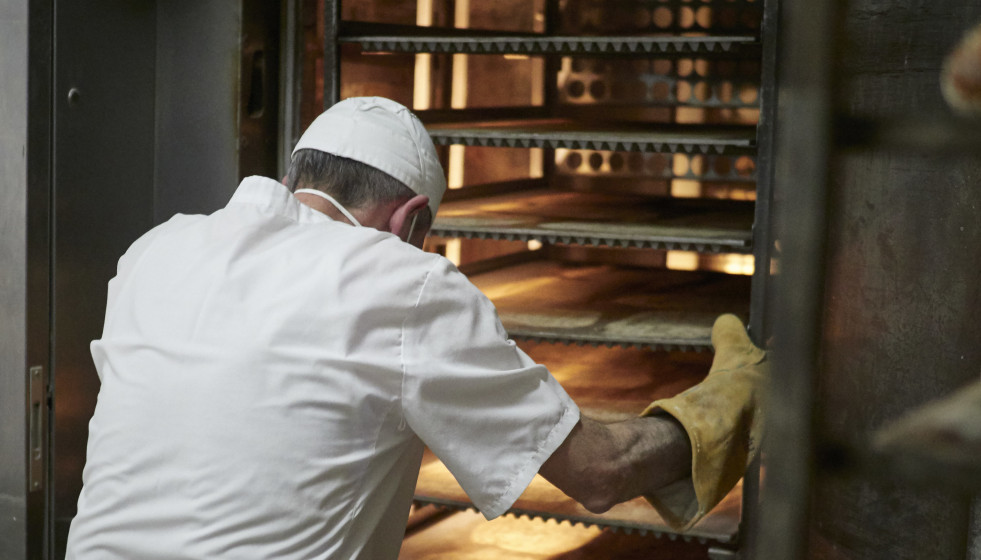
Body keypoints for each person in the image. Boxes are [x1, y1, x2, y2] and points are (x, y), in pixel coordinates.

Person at [65, 96, 767, 559]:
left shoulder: (158, 249)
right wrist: (726, 406)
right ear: (411, 222)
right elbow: (600, 473)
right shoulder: (401, 281)